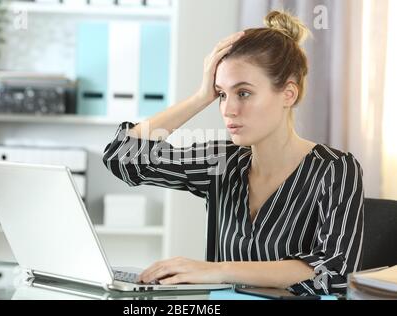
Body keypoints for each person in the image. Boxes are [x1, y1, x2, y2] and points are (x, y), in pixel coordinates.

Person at [102, 10, 364, 295]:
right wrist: (201, 96)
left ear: (288, 94)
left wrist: (217, 270)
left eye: (244, 93)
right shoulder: (222, 162)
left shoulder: (335, 168)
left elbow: (335, 272)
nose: (228, 109)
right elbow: (124, 159)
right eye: (222, 95)